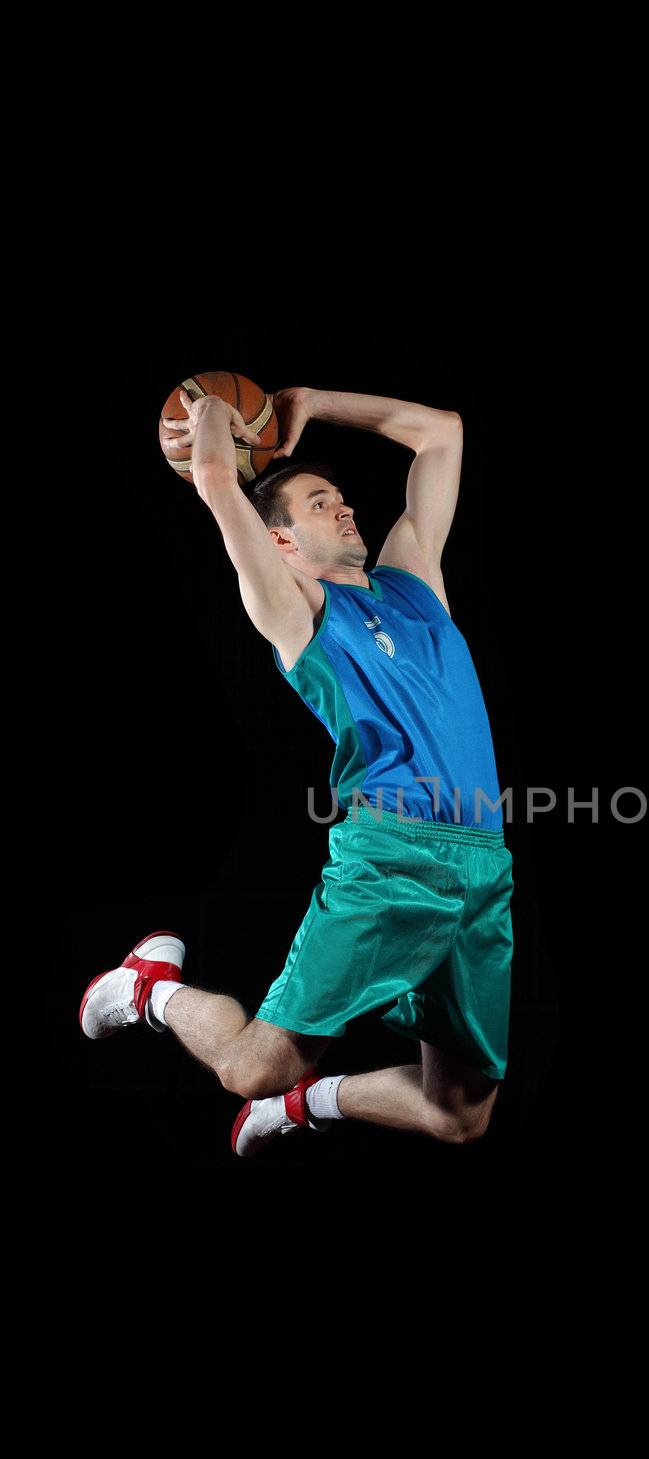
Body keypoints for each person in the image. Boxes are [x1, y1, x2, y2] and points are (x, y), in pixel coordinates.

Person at [79, 384, 515, 1157]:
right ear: (280, 542)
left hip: (483, 869)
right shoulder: (296, 611)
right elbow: (217, 480)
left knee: (460, 1117)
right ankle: (151, 987)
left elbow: (440, 432)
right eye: (320, 504)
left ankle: (311, 1105)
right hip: (393, 858)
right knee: (253, 1067)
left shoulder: (413, 583)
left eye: (341, 497)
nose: (345, 509)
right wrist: (211, 410)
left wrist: (309, 400)